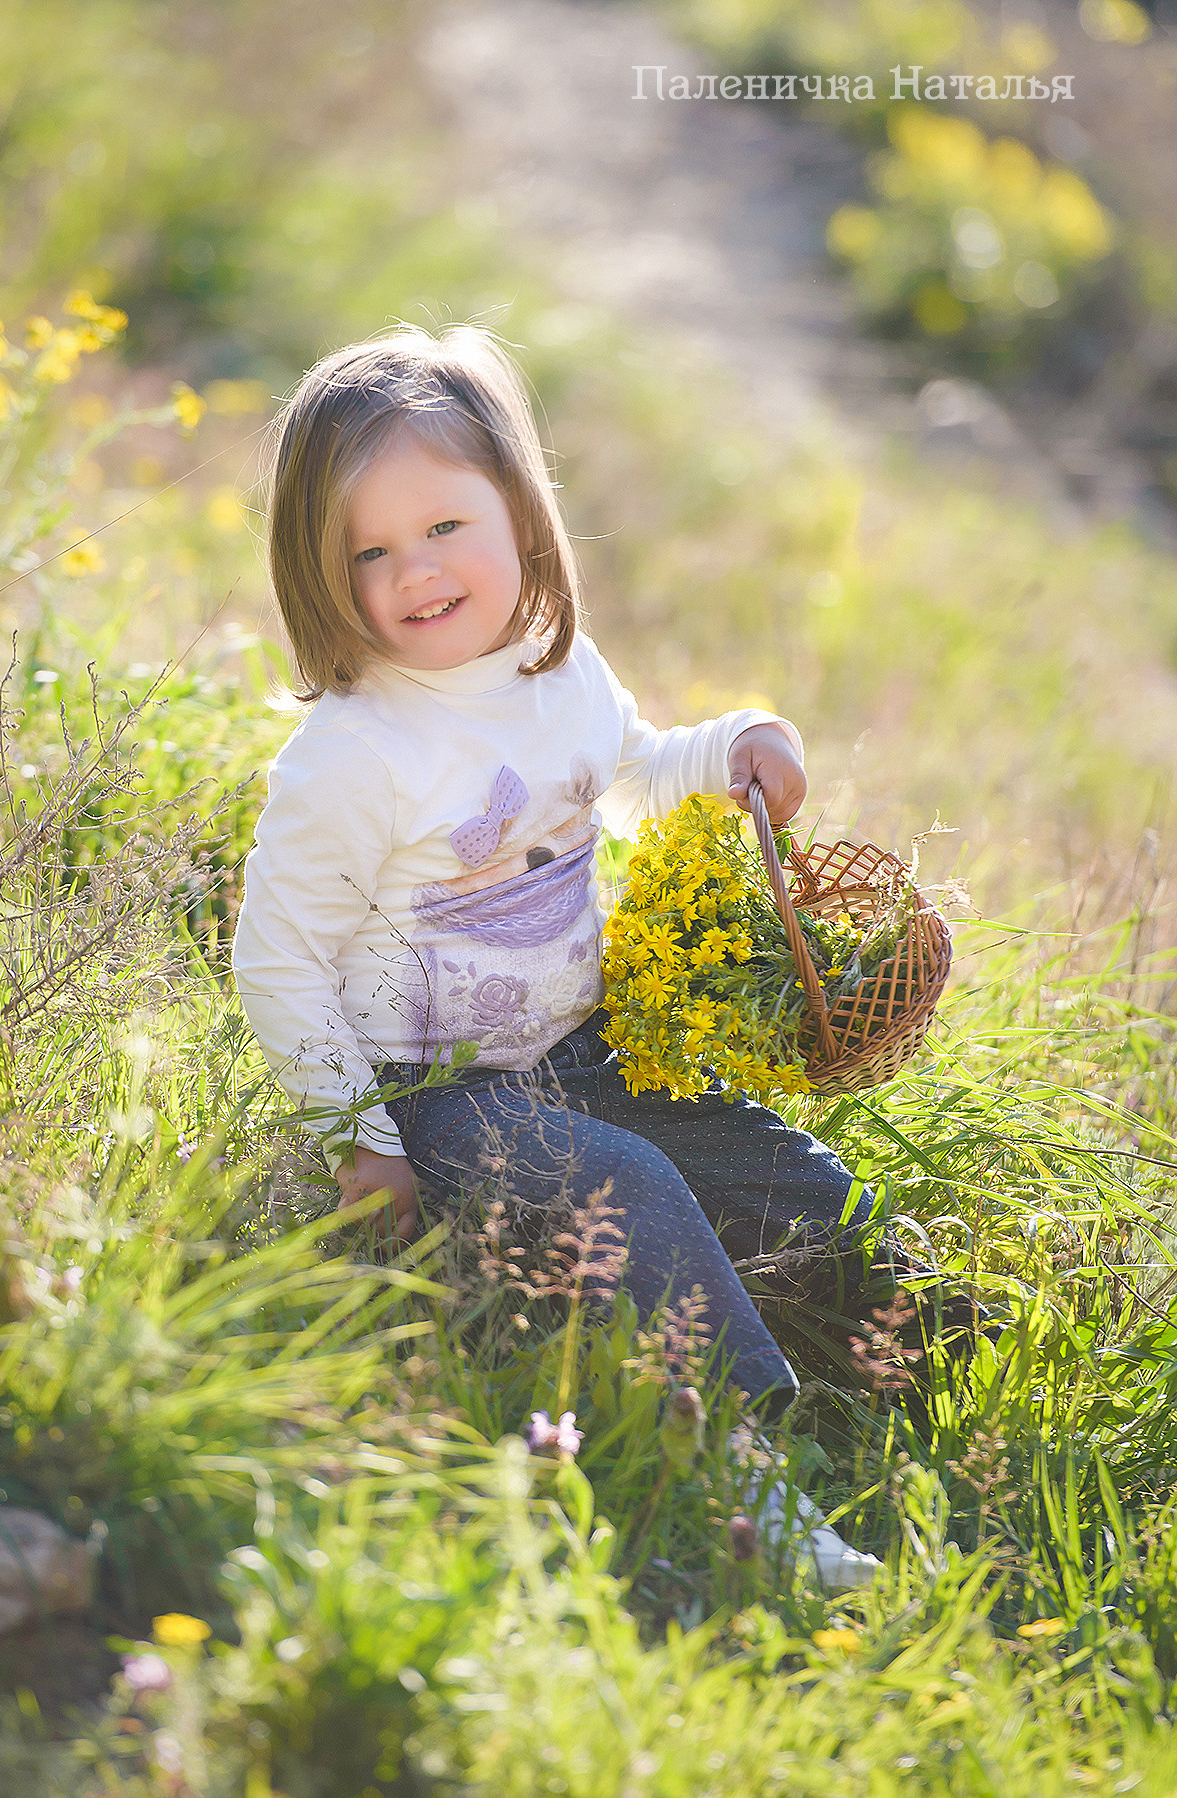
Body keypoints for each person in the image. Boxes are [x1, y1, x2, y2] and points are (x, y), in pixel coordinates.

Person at [231, 323, 886, 1587]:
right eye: (367, 551)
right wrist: (354, 1139)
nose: (412, 572)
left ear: (520, 515)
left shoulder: (556, 667)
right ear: (320, 574)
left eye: (442, 528)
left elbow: (633, 774)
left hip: (588, 1051)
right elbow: (283, 961)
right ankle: (753, 1478)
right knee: (630, 1187)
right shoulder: (352, 756)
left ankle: (900, 1327)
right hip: (443, 1095)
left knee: (795, 1181)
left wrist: (741, 743)